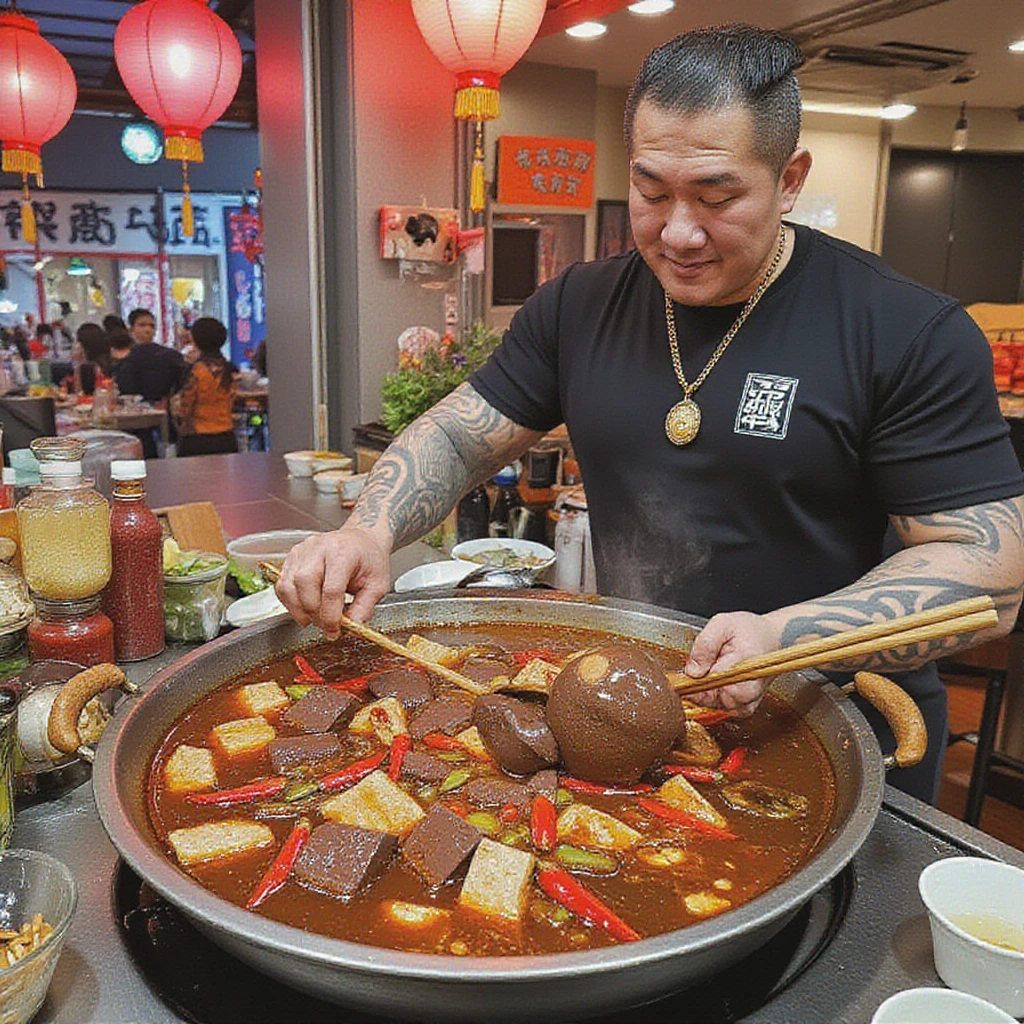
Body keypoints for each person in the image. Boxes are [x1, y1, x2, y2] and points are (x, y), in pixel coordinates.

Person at [275, 24, 1024, 805]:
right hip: (622, 714)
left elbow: (990, 574)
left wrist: (783, 639)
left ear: (790, 178)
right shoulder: (581, 303)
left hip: (831, 732)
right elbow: (463, 433)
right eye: (652, 190)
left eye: (717, 195)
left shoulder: (903, 329)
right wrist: (367, 529)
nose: (677, 232)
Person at [116, 308, 185, 458]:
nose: (148, 330)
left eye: (151, 326)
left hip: (143, 421)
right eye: (142, 325)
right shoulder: (172, 356)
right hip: (161, 418)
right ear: (131, 329)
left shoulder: (126, 361)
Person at [173, 317, 239, 457]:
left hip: (198, 439)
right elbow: (232, 400)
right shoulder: (229, 369)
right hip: (226, 436)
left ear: (196, 340)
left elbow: (185, 408)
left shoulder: (197, 371)